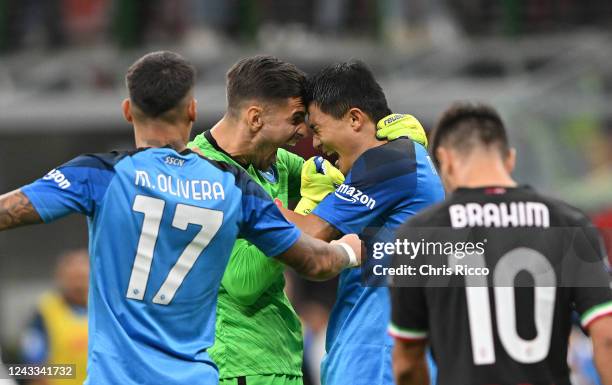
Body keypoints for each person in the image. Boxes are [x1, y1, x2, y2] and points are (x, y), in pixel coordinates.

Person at [0, 51, 363, 385]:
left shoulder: (102, 176)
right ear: (192, 110)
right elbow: (311, 261)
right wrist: (348, 248)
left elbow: (8, 211)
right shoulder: (228, 185)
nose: (303, 134)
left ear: (128, 111)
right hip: (208, 372)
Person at [188, 55, 427, 385]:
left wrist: (390, 147)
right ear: (255, 118)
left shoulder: (274, 162)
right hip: (237, 364)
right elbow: (243, 282)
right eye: (297, 119)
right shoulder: (200, 178)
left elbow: (350, 184)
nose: (303, 134)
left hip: (278, 359)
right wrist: (308, 208)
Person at [389, 103, 612, 385]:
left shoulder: (417, 236)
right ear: (510, 159)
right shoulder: (569, 225)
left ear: (445, 161)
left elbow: (407, 361)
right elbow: (607, 337)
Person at [275, 61, 445, 385]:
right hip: (382, 352)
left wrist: (241, 192)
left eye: (319, 129)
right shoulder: (404, 160)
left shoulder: (391, 160)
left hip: (376, 357)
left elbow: (310, 235)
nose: (316, 146)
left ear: (355, 119)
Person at [21, 249, 89, 385]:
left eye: (82, 278)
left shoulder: (104, 310)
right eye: (73, 278)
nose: (78, 285)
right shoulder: (45, 311)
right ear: (60, 278)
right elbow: (33, 364)